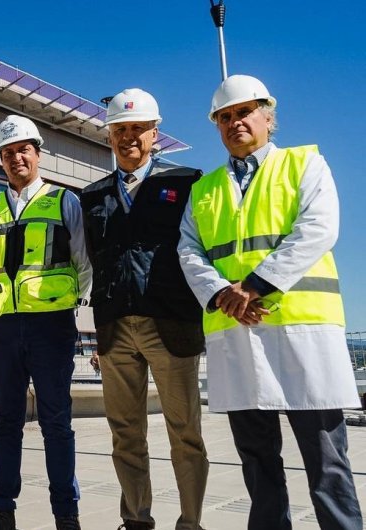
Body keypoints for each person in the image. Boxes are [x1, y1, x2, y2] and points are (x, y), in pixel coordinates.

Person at [178, 74, 363, 529]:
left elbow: (318, 229)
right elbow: (189, 250)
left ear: (267, 116)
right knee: (257, 463)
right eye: (224, 117)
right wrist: (221, 293)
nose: (234, 123)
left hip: (303, 332)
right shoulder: (204, 189)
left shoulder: (305, 164)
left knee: (327, 461)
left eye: (243, 112)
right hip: (237, 335)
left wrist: (253, 286)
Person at [80, 89, 208, 530]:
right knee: (126, 434)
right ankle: (136, 519)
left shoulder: (187, 184)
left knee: (185, 432)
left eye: (139, 128)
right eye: (120, 129)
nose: (129, 136)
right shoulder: (92, 196)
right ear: (109, 136)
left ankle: (190, 522)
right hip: (115, 327)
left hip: (171, 324)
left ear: (156, 134)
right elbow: (90, 259)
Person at [0, 115, 92, 530]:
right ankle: (1, 510)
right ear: (0, 159)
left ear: (38, 153)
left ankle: (66, 514)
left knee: (56, 422)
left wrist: (71, 305)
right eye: (7, 152)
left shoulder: (63, 200)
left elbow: (83, 261)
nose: (16, 158)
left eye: (23, 150)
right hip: (3, 328)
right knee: (6, 422)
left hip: (51, 327)